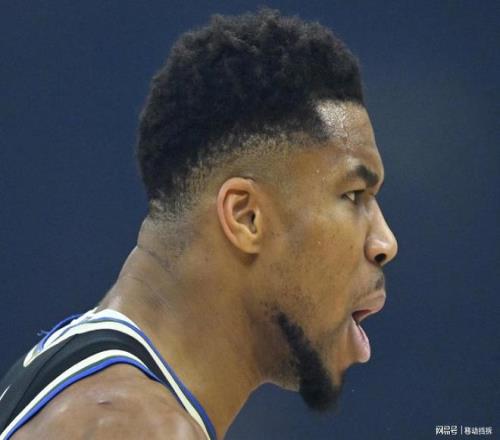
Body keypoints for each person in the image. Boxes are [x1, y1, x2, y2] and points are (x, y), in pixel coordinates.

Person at [0, 8, 398, 440]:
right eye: (354, 195)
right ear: (246, 217)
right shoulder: (135, 426)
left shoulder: (84, 384)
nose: (385, 242)